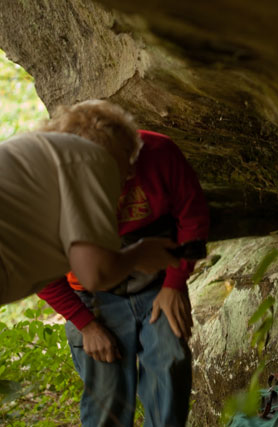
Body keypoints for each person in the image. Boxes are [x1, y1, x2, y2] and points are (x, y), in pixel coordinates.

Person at [38, 129, 210, 426]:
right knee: (107, 397)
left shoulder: (158, 153)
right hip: (90, 297)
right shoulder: (48, 188)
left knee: (169, 361)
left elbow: (193, 218)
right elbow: (40, 271)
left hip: (154, 284)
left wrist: (174, 285)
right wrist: (85, 324)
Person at [0, 100, 178, 305]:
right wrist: (140, 254)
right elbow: (96, 274)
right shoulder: (88, 155)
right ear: (107, 142)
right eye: (127, 153)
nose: (131, 173)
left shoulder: (38, 167)